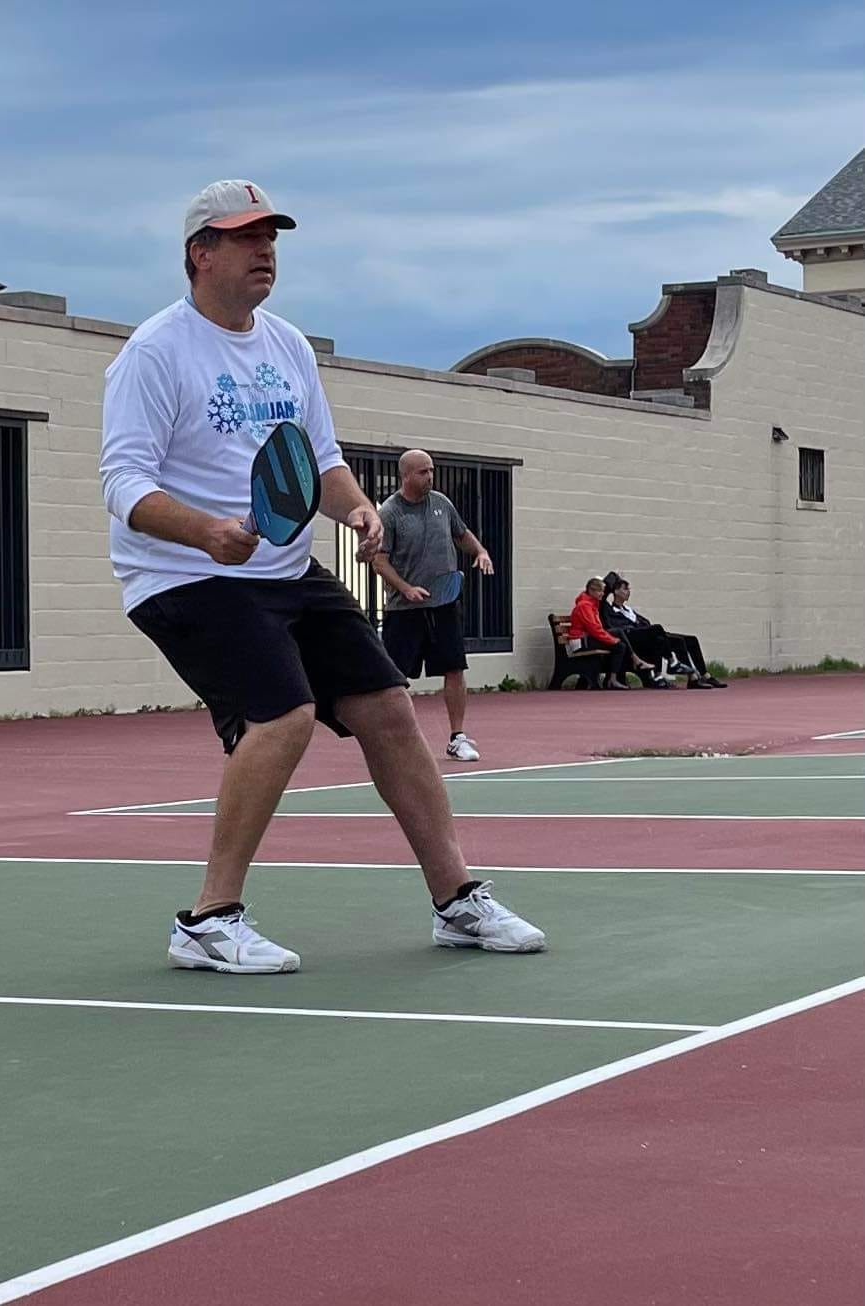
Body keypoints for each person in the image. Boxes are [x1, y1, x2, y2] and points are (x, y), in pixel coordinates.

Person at [99, 179, 545, 975]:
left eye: (271, 235)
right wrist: (207, 532)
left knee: (389, 709)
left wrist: (355, 512)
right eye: (245, 237)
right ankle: (208, 920)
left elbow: (320, 463)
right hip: (181, 574)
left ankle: (457, 901)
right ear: (201, 254)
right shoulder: (155, 353)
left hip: (283, 569)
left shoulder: (289, 346)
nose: (265, 249)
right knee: (286, 716)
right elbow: (124, 485)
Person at [371, 449, 495, 762]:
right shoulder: (389, 512)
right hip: (405, 610)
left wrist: (480, 552)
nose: (430, 477)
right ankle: (390, 739)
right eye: (423, 472)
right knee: (395, 677)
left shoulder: (442, 503)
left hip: (444, 604)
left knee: (454, 669)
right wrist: (406, 588)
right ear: (407, 476)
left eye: (432, 471)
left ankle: (457, 737)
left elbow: (462, 535)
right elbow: (379, 561)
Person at [603, 573, 725, 689]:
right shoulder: (610, 610)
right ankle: (684, 672)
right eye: (625, 589)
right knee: (665, 634)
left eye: (628, 589)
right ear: (615, 591)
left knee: (690, 640)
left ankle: (703, 675)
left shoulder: (629, 610)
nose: (628, 592)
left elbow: (646, 623)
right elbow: (604, 593)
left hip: (648, 634)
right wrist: (615, 577)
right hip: (633, 639)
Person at [569, 576, 657, 689]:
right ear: (591, 591)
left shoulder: (592, 604)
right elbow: (595, 630)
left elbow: (597, 629)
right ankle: (634, 661)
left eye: (603, 591)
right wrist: (612, 640)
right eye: (599, 591)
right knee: (618, 641)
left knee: (620, 642)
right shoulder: (584, 606)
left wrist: (613, 640)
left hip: (588, 638)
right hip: (580, 641)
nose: (602, 594)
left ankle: (613, 679)